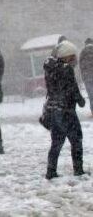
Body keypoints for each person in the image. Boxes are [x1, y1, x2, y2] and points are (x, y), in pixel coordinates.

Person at [43, 40, 86, 179]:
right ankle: (78, 169)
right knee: (76, 140)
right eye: (72, 56)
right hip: (66, 110)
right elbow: (72, 88)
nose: (74, 59)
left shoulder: (50, 68)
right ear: (66, 55)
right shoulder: (66, 69)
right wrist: (80, 100)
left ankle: (51, 170)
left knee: (56, 142)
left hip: (54, 109)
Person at [79, 38, 93, 117]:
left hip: (87, 77)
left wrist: (83, 77)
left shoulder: (82, 52)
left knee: (91, 95)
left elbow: (81, 66)